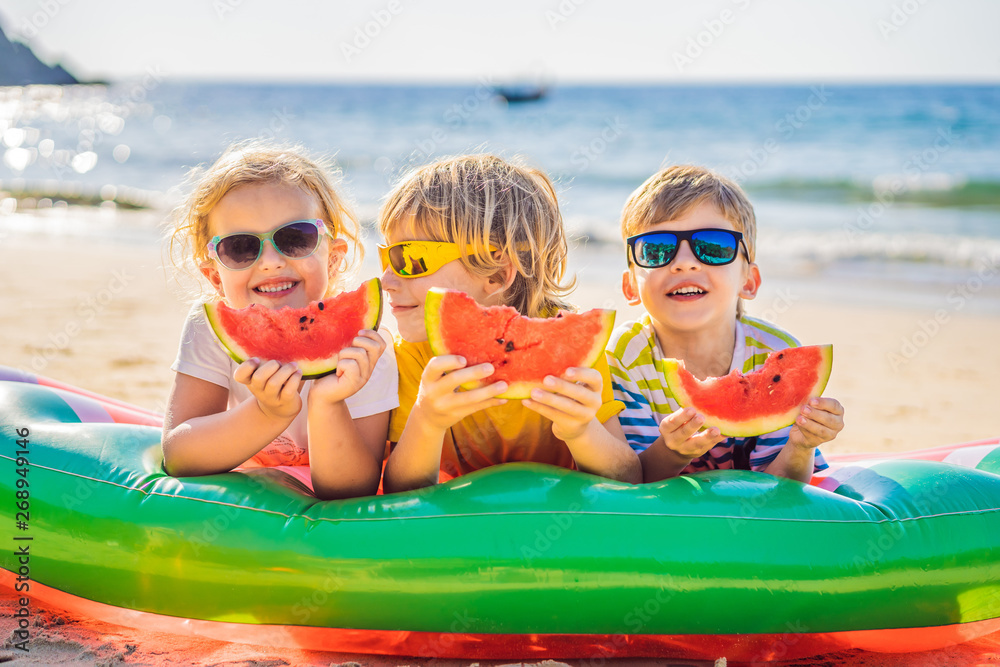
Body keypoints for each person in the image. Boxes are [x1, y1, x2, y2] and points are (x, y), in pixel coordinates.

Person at [378, 154, 642, 493]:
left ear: (498, 274)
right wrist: (427, 419)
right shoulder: (412, 359)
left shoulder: (569, 349)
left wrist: (581, 430)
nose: (386, 279)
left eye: (409, 259)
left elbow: (628, 478)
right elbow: (401, 491)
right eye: (386, 256)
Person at [162, 141, 397, 500]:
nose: (271, 261)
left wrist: (327, 402)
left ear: (332, 259)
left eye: (295, 238)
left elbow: (352, 489)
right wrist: (268, 413)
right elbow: (179, 455)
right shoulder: (207, 328)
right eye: (240, 247)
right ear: (215, 277)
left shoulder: (366, 345)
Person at [607, 165, 844, 483]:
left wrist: (800, 446)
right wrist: (672, 452)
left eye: (713, 247)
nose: (685, 262)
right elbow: (630, 480)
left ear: (749, 280)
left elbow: (781, 489)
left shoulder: (777, 353)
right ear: (630, 287)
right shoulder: (624, 358)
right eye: (657, 249)